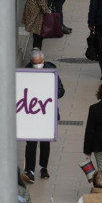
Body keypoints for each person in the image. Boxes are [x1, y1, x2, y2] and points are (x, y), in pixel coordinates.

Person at [22, 49, 66, 183]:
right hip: (32, 113)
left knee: (45, 142)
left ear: (43, 60)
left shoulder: (51, 71)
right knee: (31, 142)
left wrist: (49, 94)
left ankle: (43, 167)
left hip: (47, 112)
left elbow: (61, 90)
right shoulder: (25, 73)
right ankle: (29, 169)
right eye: (35, 63)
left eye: (40, 62)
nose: (38, 65)